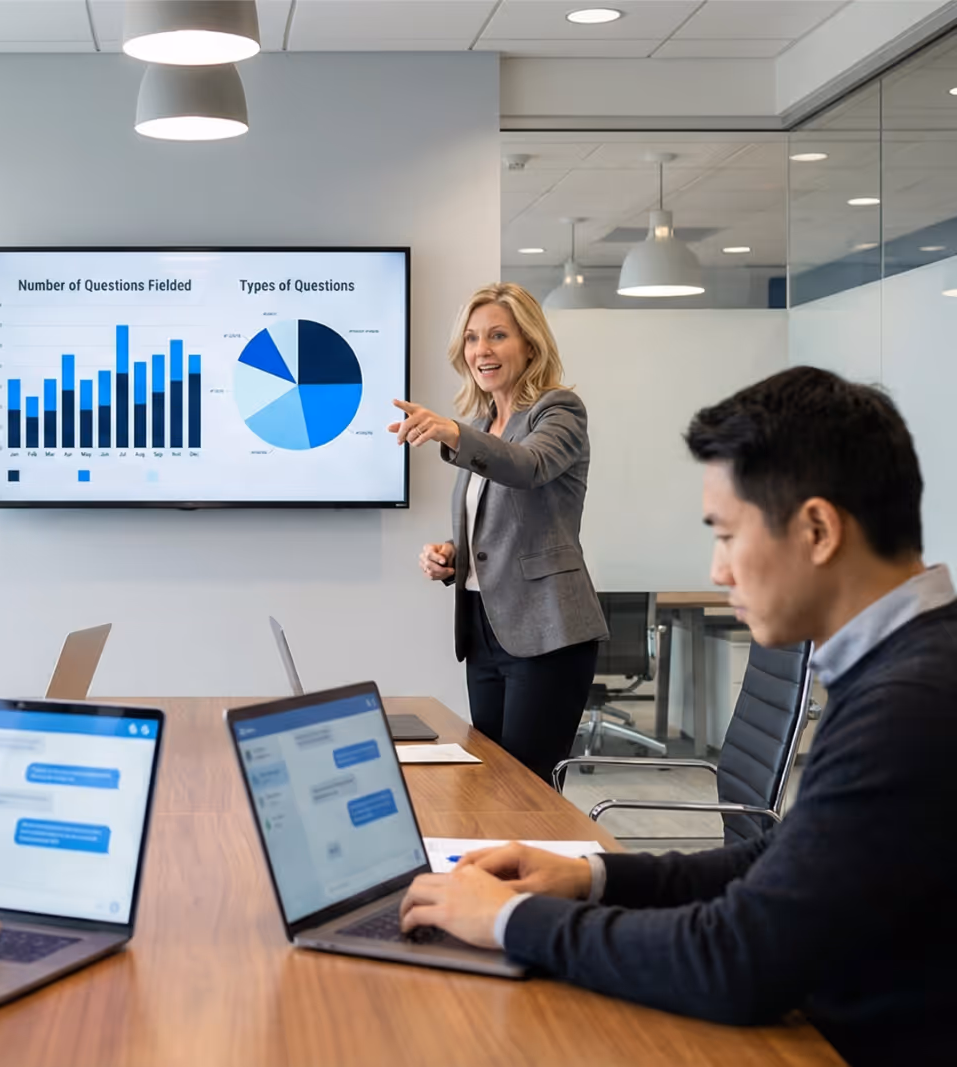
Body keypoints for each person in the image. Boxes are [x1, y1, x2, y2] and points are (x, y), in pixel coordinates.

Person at [397, 366, 955, 1066]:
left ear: (817, 528)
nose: (718, 571)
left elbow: (734, 958)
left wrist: (509, 918)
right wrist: (592, 877)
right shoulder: (909, 665)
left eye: (725, 535)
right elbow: (782, 857)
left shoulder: (911, 705)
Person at [389, 282, 607, 783]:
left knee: (527, 790)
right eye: (471, 338)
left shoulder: (558, 411)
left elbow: (529, 467)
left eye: (497, 335)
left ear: (529, 344)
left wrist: (451, 432)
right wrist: (454, 555)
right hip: (486, 629)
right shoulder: (485, 423)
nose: (481, 350)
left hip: (548, 632)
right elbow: (502, 525)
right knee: (490, 783)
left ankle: (545, 865)